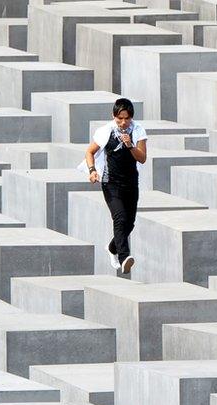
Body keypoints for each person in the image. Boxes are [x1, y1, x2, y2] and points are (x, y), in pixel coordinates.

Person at [83, 98, 148, 274]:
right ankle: (124, 257)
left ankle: (112, 248)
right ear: (114, 116)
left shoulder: (138, 131)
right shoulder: (106, 131)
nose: (123, 122)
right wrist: (92, 170)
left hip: (131, 183)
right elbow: (90, 151)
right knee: (119, 219)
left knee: (130, 224)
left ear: (131, 118)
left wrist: (130, 145)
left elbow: (142, 158)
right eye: (120, 118)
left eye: (127, 118)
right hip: (110, 183)